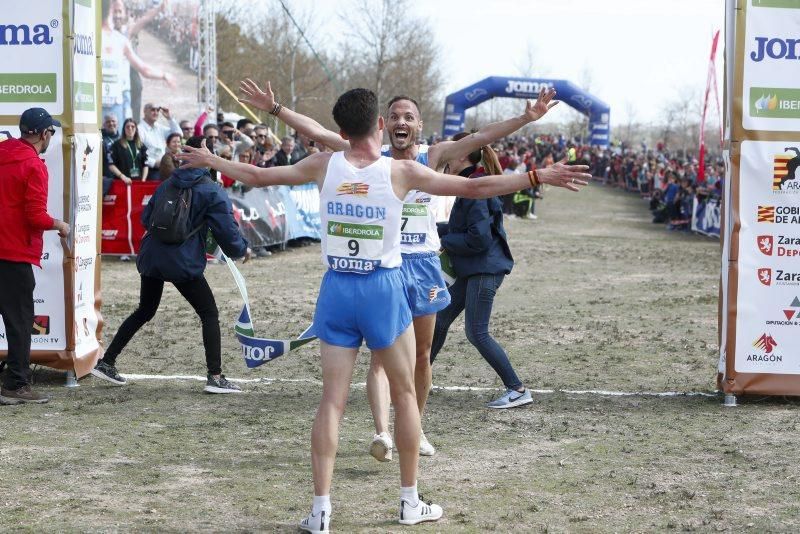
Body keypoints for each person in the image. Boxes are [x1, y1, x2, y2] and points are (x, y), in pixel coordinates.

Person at [180, 87, 588, 532]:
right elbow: (476, 186)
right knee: (406, 392)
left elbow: (259, 177)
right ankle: (409, 501)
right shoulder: (402, 172)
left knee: (332, 401)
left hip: (337, 287)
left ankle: (320, 511)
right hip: (383, 287)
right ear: (379, 125)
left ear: (342, 131)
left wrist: (214, 162)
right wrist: (535, 177)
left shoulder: (325, 163)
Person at [238, 78, 559, 461]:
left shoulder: (433, 154)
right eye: (394, 115)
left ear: (419, 126)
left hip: (421, 265)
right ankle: (382, 432)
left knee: (422, 355)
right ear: (383, 124)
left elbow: (482, 137)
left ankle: (415, 427)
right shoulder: (371, 154)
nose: (401, 120)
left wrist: (526, 117)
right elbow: (319, 131)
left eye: (409, 116)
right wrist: (275, 110)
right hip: (382, 266)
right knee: (379, 356)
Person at [92, 136, 251, 393]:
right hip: (182, 261)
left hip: (153, 256)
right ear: (206, 155)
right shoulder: (212, 190)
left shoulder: (167, 183)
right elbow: (228, 232)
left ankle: (107, 362)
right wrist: (242, 249)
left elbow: (146, 218)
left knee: (144, 310)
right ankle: (215, 376)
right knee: (209, 313)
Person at [430, 134, 532, 409]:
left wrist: (442, 241)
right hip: (473, 268)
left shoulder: (475, 187)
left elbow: (479, 239)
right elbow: (461, 229)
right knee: (439, 321)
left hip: (484, 269)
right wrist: (430, 229)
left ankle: (518, 389)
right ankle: (417, 379)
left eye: (449, 151)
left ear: (462, 155)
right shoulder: (471, 184)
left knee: (476, 332)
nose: (443, 158)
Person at [0, 108, 70, 405]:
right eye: (50, 132)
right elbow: (35, 216)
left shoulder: (3, 151)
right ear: (43, 134)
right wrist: (61, 225)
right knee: (19, 322)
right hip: (13, 253)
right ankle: (16, 384)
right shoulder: (34, 166)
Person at [101, 0, 175, 128]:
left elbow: (144, 20)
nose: (117, 15)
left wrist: (158, 9)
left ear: (125, 14)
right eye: (114, 11)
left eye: (120, 12)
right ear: (108, 12)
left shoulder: (124, 35)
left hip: (124, 86)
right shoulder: (97, 34)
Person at [138, 103, 181, 180]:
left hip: (165, 167)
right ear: (145, 111)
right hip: (149, 170)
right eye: (153, 110)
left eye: (157, 110)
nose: (156, 112)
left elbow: (179, 134)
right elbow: (138, 152)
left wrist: (169, 118)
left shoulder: (159, 127)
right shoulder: (139, 129)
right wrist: (154, 163)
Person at [109, 118, 148, 183]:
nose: (130, 128)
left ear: (136, 129)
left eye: (133, 126)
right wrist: (122, 177)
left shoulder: (141, 145)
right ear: (124, 129)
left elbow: (146, 164)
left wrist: (143, 180)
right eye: (127, 127)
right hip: (122, 181)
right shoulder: (116, 145)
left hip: (138, 181)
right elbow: (111, 165)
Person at [101, 114, 120, 196]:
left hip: (121, 178)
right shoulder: (100, 139)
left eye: (113, 121)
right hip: (108, 178)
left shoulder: (122, 138)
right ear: (104, 125)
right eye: (108, 122)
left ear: (117, 123)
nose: (111, 123)